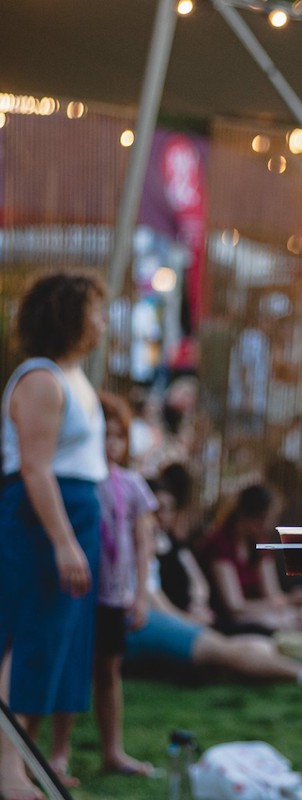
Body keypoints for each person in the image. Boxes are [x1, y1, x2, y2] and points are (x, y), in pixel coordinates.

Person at [0, 270, 109, 800]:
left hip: (74, 517)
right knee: (25, 640)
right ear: (70, 316)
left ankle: (26, 761)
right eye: (96, 310)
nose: (104, 321)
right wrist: (64, 541)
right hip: (42, 522)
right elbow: (35, 468)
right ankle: (6, 770)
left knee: (52, 643)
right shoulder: (41, 379)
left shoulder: (73, 376)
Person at [123, 475, 302, 694]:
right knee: (249, 643)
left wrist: (289, 606)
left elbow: (199, 585)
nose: (162, 517)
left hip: (194, 616)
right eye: (156, 511)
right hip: (204, 619)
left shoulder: (173, 544)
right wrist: (189, 617)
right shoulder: (218, 546)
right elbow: (229, 605)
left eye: (168, 509)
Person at [92, 392, 156, 777]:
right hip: (82, 594)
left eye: (118, 435)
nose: (111, 443)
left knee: (109, 671)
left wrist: (141, 594)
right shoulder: (80, 481)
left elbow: (142, 544)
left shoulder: (132, 485)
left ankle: (112, 750)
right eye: (104, 434)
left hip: (115, 594)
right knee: (69, 671)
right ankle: (58, 751)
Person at [195, 483, 302, 637]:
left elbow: (273, 593)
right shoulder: (220, 545)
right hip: (228, 619)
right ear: (248, 518)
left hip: (256, 611)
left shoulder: (258, 545)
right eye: (265, 520)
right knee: (281, 622)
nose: (269, 526)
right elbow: (234, 606)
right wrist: (284, 604)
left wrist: (290, 601)